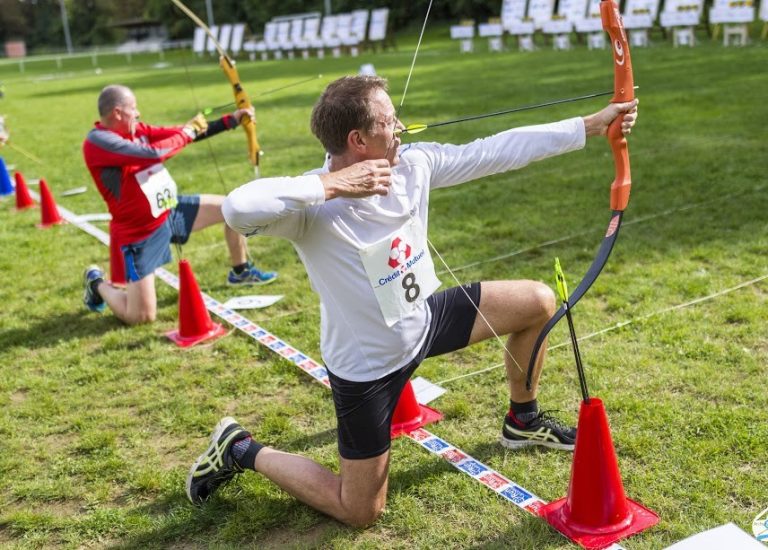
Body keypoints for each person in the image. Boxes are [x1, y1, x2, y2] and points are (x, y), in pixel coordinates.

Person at [186, 76, 639, 526]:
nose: (400, 126)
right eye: (389, 120)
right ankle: (239, 448)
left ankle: (523, 420)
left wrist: (592, 125)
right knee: (359, 510)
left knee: (537, 301)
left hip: (423, 324)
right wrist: (334, 184)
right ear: (357, 140)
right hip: (368, 370)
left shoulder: (412, 164)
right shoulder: (310, 207)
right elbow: (238, 208)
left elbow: (495, 149)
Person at [81, 84, 277, 325]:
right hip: (139, 232)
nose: (139, 113)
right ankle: (97, 283)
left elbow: (177, 134)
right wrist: (187, 133)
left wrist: (231, 120)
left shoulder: (138, 129)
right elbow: (152, 153)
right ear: (118, 113)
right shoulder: (99, 142)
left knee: (232, 209)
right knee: (141, 317)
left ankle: (241, 271)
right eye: (134, 108)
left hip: (169, 212)